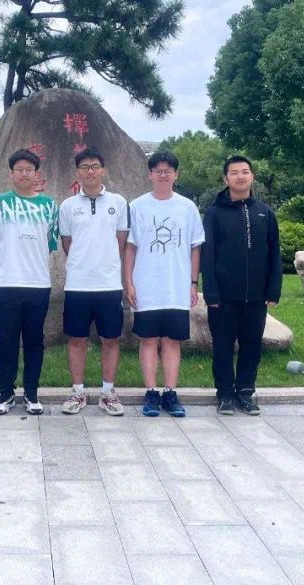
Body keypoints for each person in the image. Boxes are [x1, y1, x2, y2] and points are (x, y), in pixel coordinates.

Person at [124, 150, 204, 418]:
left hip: (176, 286)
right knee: (148, 340)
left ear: (176, 174)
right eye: (157, 170)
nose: (163, 174)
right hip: (146, 285)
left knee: (172, 340)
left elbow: (195, 248)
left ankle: (170, 392)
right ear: (149, 174)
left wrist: (193, 283)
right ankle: (151, 392)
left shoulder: (187, 207)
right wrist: (129, 283)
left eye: (167, 170)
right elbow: (130, 247)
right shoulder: (137, 206)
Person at [201, 155, 282, 417]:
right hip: (223, 296)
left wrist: (274, 288)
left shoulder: (265, 212)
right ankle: (225, 393)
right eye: (234, 172)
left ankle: (246, 391)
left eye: (245, 171)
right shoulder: (215, 213)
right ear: (225, 179)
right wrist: (210, 291)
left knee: (252, 345)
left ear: (252, 176)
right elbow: (207, 255)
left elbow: (274, 252)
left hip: (257, 295)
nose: (240, 176)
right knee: (222, 346)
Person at [0, 148, 59, 415]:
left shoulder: (50, 206)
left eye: (29, 169)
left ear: (36, 174)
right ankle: (5, 393)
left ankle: (31, 393)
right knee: (5, 340)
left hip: (38, 283)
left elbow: (50, 243)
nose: (24, 174)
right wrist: (8, 262)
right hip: (5, 282)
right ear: (11, 173)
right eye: (19, 170)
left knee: (34, 340)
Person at [58, 147, 129, 416]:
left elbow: (120, 240)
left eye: (95, 166)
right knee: (76, 339)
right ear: (77, 172)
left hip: (108, 284)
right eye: (85, 167)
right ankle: (78, 392)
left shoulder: (118, 202)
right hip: (78, 283)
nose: (90, 171)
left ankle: (108, 393)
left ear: (103, 170)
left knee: (110, 339)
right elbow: (67, 243)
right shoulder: (68, 206)